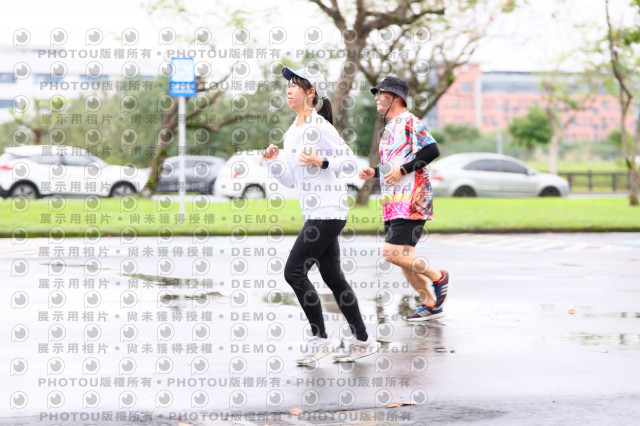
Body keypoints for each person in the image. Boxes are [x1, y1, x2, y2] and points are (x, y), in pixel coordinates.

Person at [263, 66, 380, 364]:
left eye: (295, 85)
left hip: (328, 211)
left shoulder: (320, 126)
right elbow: (290, 180)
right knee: (333, 278)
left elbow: (350, 163)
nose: (289, 90)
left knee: (293, 272)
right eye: (288, 86)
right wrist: (273, 163)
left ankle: (320, 338)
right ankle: (363, 340)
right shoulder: (292, 132)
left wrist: (322, 161)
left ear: (310, 92)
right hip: (316, 213)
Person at [358, 76, 450, 321]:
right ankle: (430, 304)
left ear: (396, 98)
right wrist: (374, 172)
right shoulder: (390, 128)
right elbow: (395, 165)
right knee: (404, 258)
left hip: (412, 200)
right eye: (376, 94)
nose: (377, 98)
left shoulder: (410, 122)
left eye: (381, 94)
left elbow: (432, 150)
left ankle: (439, 277)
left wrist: (403, 170)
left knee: (392, 253)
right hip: (394, 203)